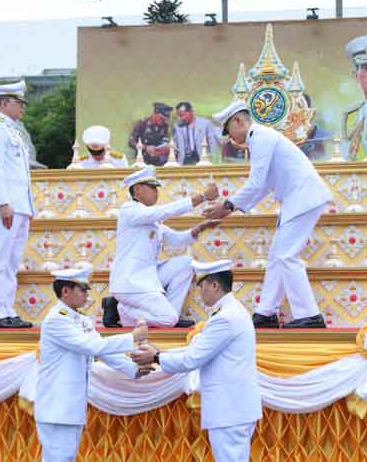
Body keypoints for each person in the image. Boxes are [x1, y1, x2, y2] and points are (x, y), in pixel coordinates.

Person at [203, 100, 332, 328]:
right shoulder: (259, 139)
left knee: (286, 256)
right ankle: (265, 314)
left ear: (238, 121)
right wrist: (230, 208)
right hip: (297, 200)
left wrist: (227, 206)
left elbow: (255, 184)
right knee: (277, 256)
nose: (229, 137)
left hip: (303, 197)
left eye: (228, 130)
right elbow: (261, 187)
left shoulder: (261, 137)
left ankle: (309, 316)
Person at [132, 260, 262, 462]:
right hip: (233, 409)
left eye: (202, 286)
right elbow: (198, 351)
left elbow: (193, 358)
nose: (200, 292)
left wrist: (156, 357)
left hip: (229, 410)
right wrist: (162, 352)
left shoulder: (225, 318)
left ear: (215, 286)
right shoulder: (230, 312)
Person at [35, 266, 150, 462]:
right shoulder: (56, 320)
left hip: (70, 406)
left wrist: (134, 369)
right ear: (65, 291)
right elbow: (92, 346)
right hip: (57, 407)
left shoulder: (80, 319)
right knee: (58, 458)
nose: (87, 295)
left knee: (66, 457)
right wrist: (132, 337)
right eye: (83, 289)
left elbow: (103, 351)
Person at [107, 165, 220, 328]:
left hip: (147, 277)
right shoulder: (129, 210)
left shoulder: (152, 220)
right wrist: (202, 197)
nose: (156, 191)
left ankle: (170, 314)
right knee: (167, 319)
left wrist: (201, 227)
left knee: (187, 264)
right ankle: (123, 312)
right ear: (137, 189)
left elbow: (177, 240)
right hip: (130, 282)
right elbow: (164, 212)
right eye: (152, 187)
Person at [0, 80, 34, 328]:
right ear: (4, 103)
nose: (22, 106)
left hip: (20, 206)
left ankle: (6, 309)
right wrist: (3, 203)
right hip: (6, 206)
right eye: (18, 102)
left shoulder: (14, 130)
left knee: (12, 261)